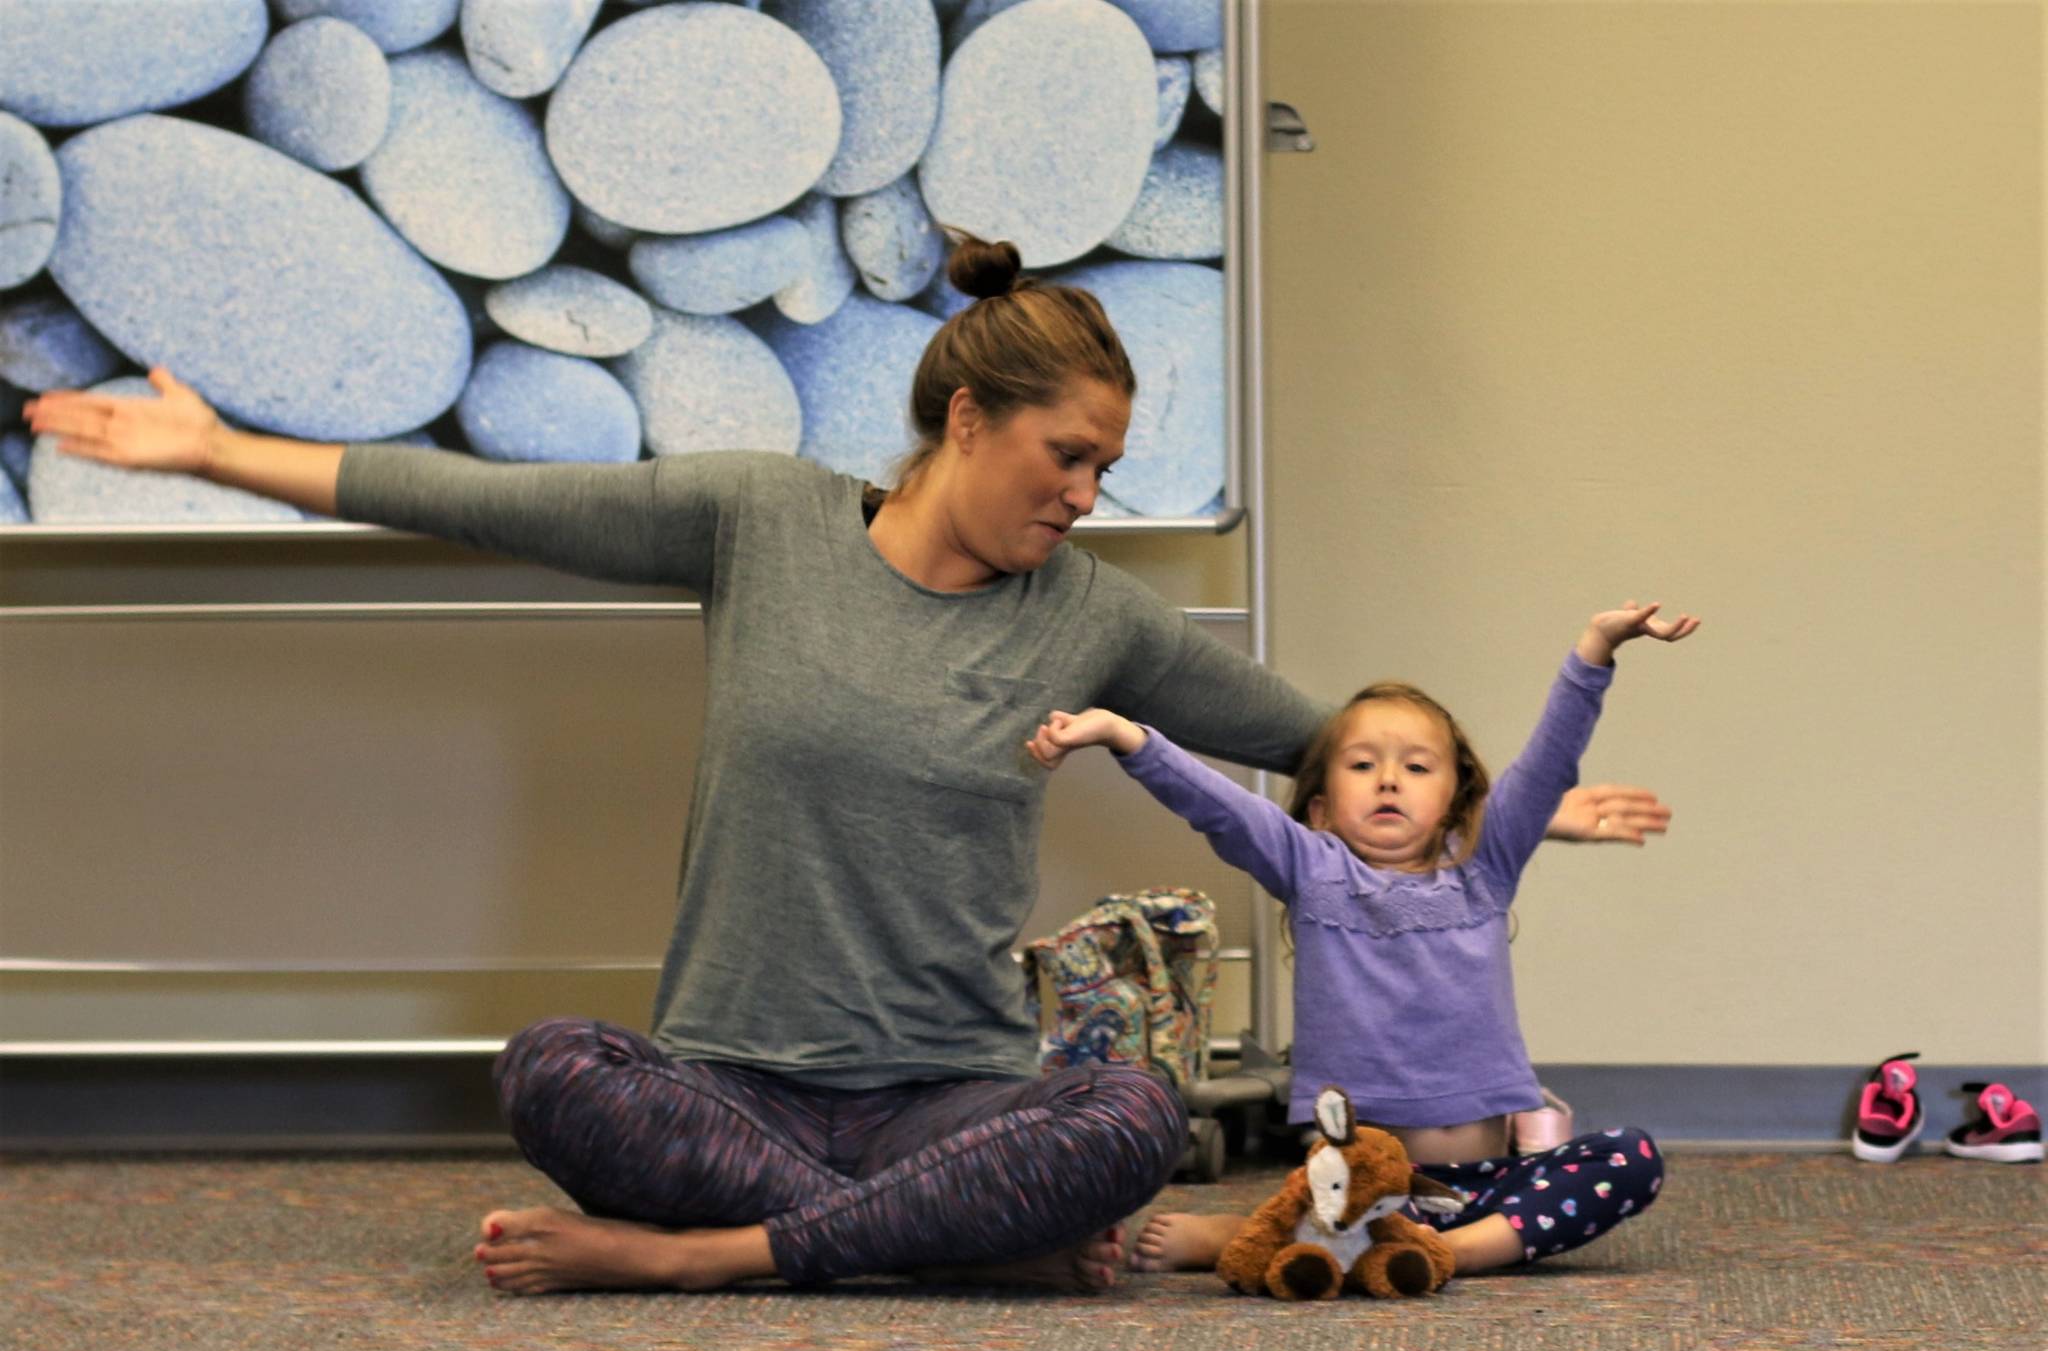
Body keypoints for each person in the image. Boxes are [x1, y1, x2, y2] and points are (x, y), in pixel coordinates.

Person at [23, 234, 1673, 1296]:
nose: (1089, 493)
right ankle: (919, 1238)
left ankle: (706, 1256)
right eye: (1067, 453)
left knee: (1117, 1115)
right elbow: (479, 497)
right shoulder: (757, 519)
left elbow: (1325, 738)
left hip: (940, 1089)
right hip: (735, 1074)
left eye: (1104, 461)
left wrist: (1486, 802)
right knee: (550, 1065)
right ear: (965, 421)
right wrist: (215, 447)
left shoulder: (1086, 614)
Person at [1025, 600, 1700, 1275]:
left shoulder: (1484, 868)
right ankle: (1334, 1239)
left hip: (1492, 1183)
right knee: (1339, 1205)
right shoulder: (1312, 869)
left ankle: (1446, 1251)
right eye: (1361, 765)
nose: (1388, 779)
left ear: (1458, 800)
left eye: (1416, 766)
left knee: (1629, 1157)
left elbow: (1549, 762)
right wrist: (1127, 737)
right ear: (1319, 808)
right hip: (1366, 1190)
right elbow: (1217, 806)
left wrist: (1595, 648)